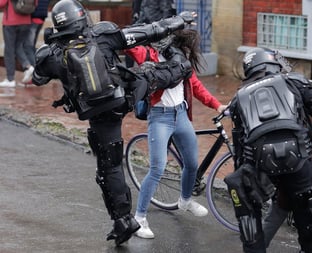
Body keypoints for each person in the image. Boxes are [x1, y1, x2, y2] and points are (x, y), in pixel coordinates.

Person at [31, 0, 196, 246]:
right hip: (123, 98)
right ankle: (181, 67)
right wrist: (179, 21)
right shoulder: (103, 34)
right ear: (82, 16)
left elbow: (38, 78)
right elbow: (146, 32)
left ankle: (122, 220)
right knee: (151, 74)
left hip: (98, 115)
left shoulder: (51, 55)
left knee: (110, 169)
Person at [224, 47, 312, 253]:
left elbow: (240, 149)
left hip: (261, 166)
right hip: (299, 162)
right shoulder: (295, 81)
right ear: (273, 64)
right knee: (311, 218)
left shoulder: (238, 99)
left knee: (248, 211)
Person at [125, 28, 227, 239]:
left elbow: (196, 86)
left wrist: (217, 106)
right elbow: (131, 46)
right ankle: (140, 218)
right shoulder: (150, 55)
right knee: (157, 169)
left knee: (191, 164)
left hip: (181, 115)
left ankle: (185, 200)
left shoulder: (181, 58)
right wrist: (144, 33)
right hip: (159, 117)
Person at [0, 0, 35, 87]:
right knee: (18, 46)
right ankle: (28, 66)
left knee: (9, 50)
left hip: (11, 22)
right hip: (26, 21)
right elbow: (35, 4)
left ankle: (10, 79)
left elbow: (1, 3)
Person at [24, 0, 50, 68]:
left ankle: (35, 68)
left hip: (33, 18)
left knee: (28, 46)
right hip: (41, 18)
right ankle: (38, 66)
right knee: (31, 46)